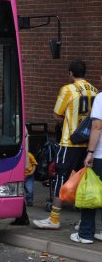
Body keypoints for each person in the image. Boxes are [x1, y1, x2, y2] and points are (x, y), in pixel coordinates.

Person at [34, 60, 98, 229]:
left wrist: (68, 121)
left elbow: (57, 115)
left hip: (69, 142)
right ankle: (83, 221)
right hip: (89, 143)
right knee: (82, 180)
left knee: (60, 178)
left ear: (71, 73)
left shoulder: (67, 89)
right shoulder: (95, 91)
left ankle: (54, 219)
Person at [71, 86, 102, 243]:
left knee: (91, 191)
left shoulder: (101, 98)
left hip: (100, 155)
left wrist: (90, 152)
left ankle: (85, 234)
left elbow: (97, 126)